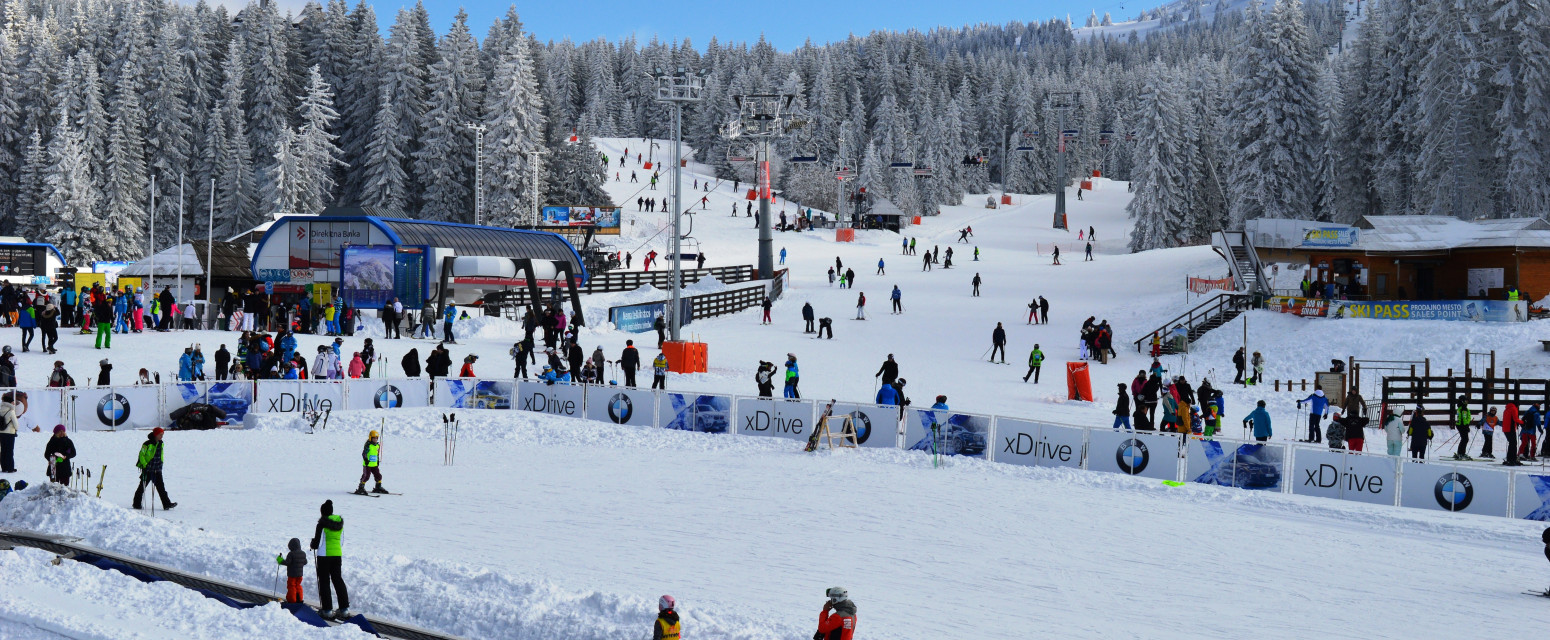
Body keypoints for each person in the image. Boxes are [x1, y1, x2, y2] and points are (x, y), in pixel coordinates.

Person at [310, 500, 350, 620]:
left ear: (322, 513)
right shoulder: (339, 524)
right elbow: (342, 541)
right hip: (337, 555)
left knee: (324, 581)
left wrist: (313, 544)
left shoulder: (321, 524)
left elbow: (318, 543)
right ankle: (344, 609)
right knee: (337, 580)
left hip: (324, 556)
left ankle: (327, 610)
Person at [132, 427, 175, 509]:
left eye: (162, 435)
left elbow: (160, 455)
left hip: (157, 469)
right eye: (160, 434)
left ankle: (167, 504)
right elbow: (141, 455)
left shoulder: (161, 443)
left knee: (161, 488)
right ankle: (136, 504)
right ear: (155, 434)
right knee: (142, 487)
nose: (161, 436)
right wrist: (145, 465)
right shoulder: (147, 444)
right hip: (148, 469)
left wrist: (161, 463)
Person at [353, 430, 388, 495]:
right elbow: (364, 453)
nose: (375, 439)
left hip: (374, 464)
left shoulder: (377, 445)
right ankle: (361, 487)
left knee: (378, 476)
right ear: (370, 438)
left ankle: (378, 487)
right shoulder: (368, 445)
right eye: (374, 438)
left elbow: (376, 454)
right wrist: (365, 459)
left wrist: (377, 461)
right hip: (367, 464)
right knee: (366, 476)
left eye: (376, 438)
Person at [276, 538, 309, 603]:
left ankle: (292, 600)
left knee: (291, 586)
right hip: (300, 575)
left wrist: (280, 560)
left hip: (292, 574)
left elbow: (287, 562)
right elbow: (305, 562)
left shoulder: (291, 554)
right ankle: (299, 599)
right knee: (298, 586)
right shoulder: (303, 553)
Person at [0, 393, 15, 473]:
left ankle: (4, 467)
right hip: (10, 433)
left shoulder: (0, 409)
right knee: (9, 451)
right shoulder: (11, 411)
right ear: (10, 402)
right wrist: (16, 429)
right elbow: (15, 424)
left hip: (1, 433)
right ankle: (10, 468)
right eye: (13, 402)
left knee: (3, 450)